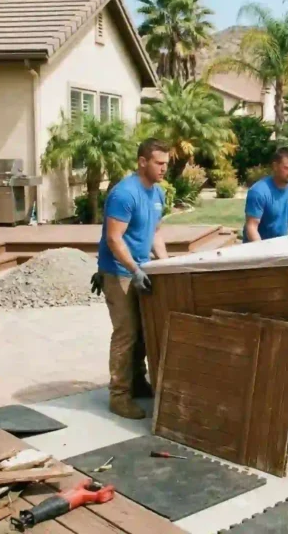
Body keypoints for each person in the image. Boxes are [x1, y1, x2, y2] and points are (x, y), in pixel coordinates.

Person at [93, 138, 170, 420]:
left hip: (142, 268)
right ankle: (119, 396)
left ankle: (137, 381)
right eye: (159, 163)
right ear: (142, 162)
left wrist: (167, 265)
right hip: (119, 272)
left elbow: (155, 233)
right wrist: (134, 270)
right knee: (126, 333)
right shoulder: (124, 194)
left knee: (145, 330)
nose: (164, 169)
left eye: (166, 164)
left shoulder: (157, 193)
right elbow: (114, 239)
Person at [242, 148, 288, 242]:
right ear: (275, 166)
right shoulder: (258, 191)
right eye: (287, 168)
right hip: (257, 246)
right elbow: (252, 227)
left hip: (280, 244)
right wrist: (262, 249)